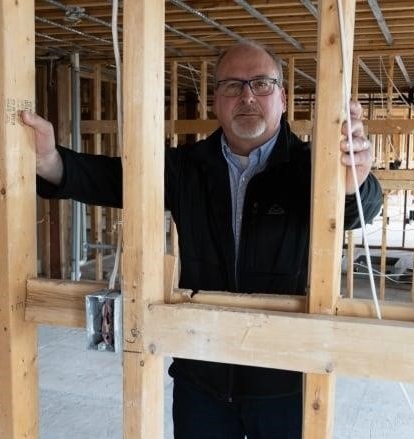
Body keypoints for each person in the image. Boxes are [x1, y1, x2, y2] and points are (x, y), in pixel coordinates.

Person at [24, 41, 382, 439]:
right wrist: (49, 161)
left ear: (282, 96)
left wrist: (353, 184)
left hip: (287, 379)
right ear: (216, 100)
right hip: (202, 375)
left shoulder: (310, 167)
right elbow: (113, 179)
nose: (247, 96)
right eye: (232, 86)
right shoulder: (187, 167)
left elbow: (356, 211)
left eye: (261, 84)